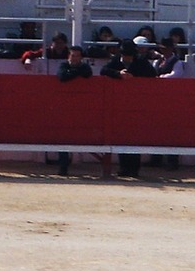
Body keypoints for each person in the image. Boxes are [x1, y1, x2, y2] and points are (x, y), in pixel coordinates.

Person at [101, 39, 155, 177]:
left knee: (134, 136)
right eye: (126, 54)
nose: (127, 57)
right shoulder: (116, 62)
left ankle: (134, 169)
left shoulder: (141, 62)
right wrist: (118, 74)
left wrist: (134, 77)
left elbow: (152, 75)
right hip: (119, 104)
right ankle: (124, 168)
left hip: (137, 104)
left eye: (129, 55)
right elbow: (104, 71)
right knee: (122, 135)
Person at [55, 45, 92, 176]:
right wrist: (77, 73)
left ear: (81, 58)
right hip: (64, 109)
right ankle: (63, 167)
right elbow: (62, 77)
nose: (74, 58)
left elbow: (88, 74)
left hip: (83, 109)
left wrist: (73, 73)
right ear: (68, 56)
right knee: (63, 137)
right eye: (72, 55)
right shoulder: (64, 66)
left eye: (77, 56)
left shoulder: (84, 67)